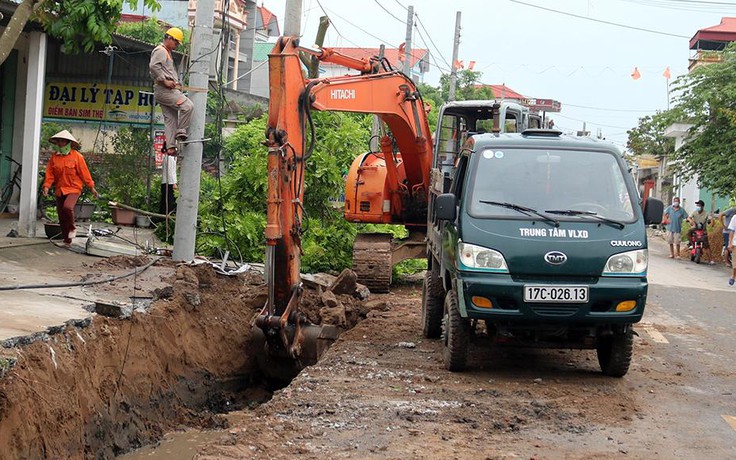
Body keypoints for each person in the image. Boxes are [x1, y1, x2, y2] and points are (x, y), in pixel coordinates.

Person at [42, 130, 99, 245]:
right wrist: (46, 186)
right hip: (60, 189)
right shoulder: (54, 157)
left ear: (68, 143)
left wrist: (92, 187)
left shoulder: (77, 157)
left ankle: (72, 228)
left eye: (62, 141)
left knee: (67, 208)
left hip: (74, 188)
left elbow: (85, 173)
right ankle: (67, 240)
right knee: (61, 215)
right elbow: (50, 173)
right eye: (58, 141)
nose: (60, 143)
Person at [149, 27, 193, 156]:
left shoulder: (167, 52)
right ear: (169, 38)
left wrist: (174, 82)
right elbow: (153, 66)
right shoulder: (161, 50)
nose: (176, 46)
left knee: (171, 120)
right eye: (176, 43)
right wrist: (165, 81)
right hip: (164, 90)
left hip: (164, 90)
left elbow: (164, 70)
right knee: (188, 106)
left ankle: (170, 147)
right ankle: (181, 131)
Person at [687, 199, 715, 264]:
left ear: (702, 206)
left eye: (699, 205)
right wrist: (690, 220)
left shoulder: (706, 213)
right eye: (697, 205)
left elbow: (711, 220)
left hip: (703, 231)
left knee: (707, 245)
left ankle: (710, 260)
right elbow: (689, 217)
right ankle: (691, 243)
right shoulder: (695, 212)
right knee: (689, 232)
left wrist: (711, 223)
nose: (698, 207)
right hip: (695, 229)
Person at [159, 146, 177, 216]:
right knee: (169, 203)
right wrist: (174, 183)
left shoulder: (167, 158)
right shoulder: (169, 158)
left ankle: (162, 218)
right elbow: (170, 172)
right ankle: (166, 218)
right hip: (168, 183)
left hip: (166, 183)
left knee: (164, 202)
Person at [728, 214, 736, 285]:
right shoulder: (735, 217)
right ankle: (733, 276)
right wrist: (730, 243)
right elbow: (732, 231)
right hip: (735, 243)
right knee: (735, 262)